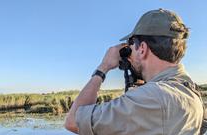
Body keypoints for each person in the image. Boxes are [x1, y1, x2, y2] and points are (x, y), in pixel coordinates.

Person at [65, 8, 204, 135]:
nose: (128, 51)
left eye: (130, 44)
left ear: (142, 48)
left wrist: (103, 67)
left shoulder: (152, 97)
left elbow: (72, 121)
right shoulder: (190, 90)